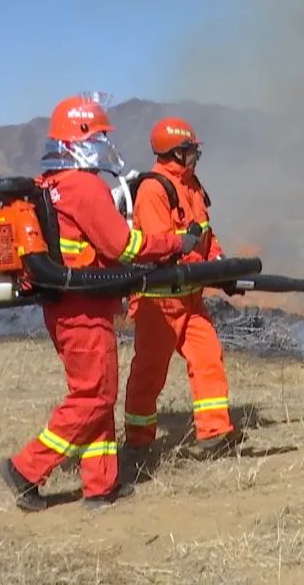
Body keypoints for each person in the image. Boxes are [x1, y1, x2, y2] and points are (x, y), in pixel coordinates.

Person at [0, 94, 195, 511]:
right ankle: (26, 468)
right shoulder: (84, 186)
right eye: (101, 135)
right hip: (82, 308)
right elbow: (123, 246)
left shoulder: (49, 184)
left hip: (66, 306)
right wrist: (176, 242)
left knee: (94, 393)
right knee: (94, 397)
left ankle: (100, 486)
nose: (106, 142)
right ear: (83, 138)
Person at [123, 117, 244, 465]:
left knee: (208, 358)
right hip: (159, 302)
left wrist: (220, 266)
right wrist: (190, 249)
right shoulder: (153, 190)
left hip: (190, 297)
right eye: (192, 150)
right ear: (176, 152)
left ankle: (215, 434)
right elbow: (162, 244)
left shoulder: (191, 186)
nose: (196, 156)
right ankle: (137, 442)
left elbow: (205, 234)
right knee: (150, 372)